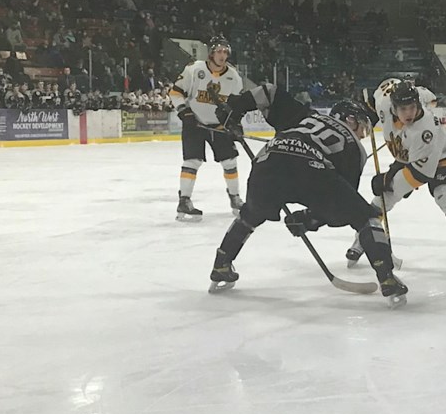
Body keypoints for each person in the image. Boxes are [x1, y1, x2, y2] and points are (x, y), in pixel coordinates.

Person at [206, 86, 408, 307]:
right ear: (350, 119)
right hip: (312, 170)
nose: (362, 133)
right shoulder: (354, 148)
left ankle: (221, 265)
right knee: (366, 217)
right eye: (361, 126)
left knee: (250, 215)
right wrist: (311, 219)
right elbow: (341, 205)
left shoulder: (304, 116)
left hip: (267, 163)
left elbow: (269, 92)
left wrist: (234, 109)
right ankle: (386, 276)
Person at [346, 80, 446, 277]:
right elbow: (414, 93)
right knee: (384, 199)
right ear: (393, 107)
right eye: (403, 109)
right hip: (409, 156)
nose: (409, 113)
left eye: (412, 107)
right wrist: (370, 110)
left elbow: (420, 174)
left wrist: (389, 178)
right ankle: (363, 240)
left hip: (443, 156)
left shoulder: (425, 130)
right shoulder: (385, 101)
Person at [168, 36, 245, 221]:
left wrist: (235, 122)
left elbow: (238, 103)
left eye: (226, 52)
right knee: (192, 161)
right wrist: (184, 112)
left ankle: (235, 198)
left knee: (230, 162)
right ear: (211, 53)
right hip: (195, 123)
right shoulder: (195, 70)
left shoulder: (233, 76)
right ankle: (184, 200)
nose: (222, 55)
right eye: (219, 51)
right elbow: (175, 92)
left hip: (219, 126)